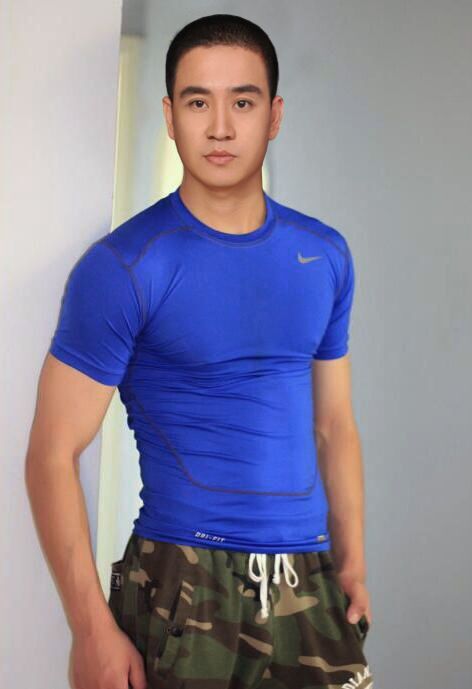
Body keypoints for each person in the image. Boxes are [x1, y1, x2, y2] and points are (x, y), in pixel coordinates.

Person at [25, 12, 374, 689]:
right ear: (169, 115)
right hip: (184, 580)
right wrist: (90, 627)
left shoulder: (325, 254)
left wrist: (353, 559)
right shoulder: (125, 266)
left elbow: (335, 423)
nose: (220, 127)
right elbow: (50, 453)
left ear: (274, 115)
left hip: (311, 578)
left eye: (242, 102)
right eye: (197, 102)